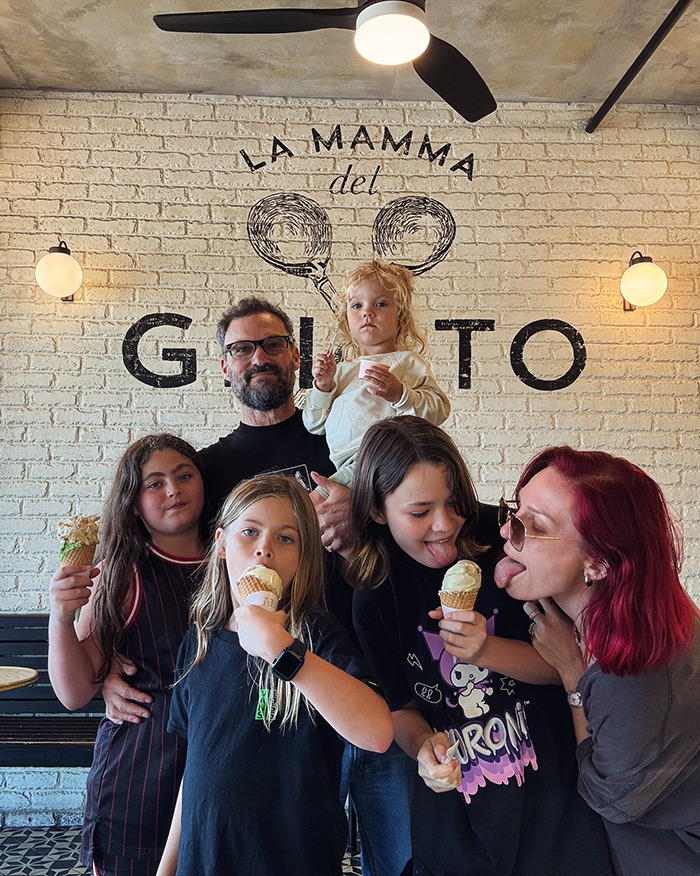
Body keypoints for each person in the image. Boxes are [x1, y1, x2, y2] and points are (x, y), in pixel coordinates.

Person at [105, 296, 414, 876]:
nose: (258, 357)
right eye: (241, 348)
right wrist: (103, 664)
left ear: (295, 356)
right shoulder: (206, 471)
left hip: (369, 672)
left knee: (395, 858)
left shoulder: (351, 436)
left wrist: (368, 510)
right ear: (224, 366)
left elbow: (423, 517)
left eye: (272, 344)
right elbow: (148, 559)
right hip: (263, 704)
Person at [347, 416, 614, 876]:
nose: (444, 525)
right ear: (376, 510)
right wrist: (424, 749)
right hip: (457, 814)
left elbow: (570, 662)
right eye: (419, 512)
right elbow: (402, 707)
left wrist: (486, 651)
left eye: (454, 503)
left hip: (552, 795)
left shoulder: (504, 538)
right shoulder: (374, 593)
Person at [155, 474, 393, 876]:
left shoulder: (315, 636)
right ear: (221, 546)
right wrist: (167, 867)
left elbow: (377, 731)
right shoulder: (198, 643)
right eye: (249, 532)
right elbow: (197, 773)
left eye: (286, 539)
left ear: (302, 558)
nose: (264, 549)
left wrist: (282, 650)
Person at [495, 446, 700, 876]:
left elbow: (606, 796)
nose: (507, 534)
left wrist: (571, 672)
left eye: (534, 526)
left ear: (599, 562)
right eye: (514, 513)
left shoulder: (632, 672)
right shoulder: (639, 607)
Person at [48, 434, 207, 876]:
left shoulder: (236, 563)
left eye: (183, 475)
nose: (173, 489)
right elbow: (74, 693)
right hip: (142, 773)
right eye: (154, 483)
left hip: (220, 771)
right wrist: (61, 619)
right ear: (133, 502)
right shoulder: (121, 574)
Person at [303, 259, 450, 487]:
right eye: (357, 305)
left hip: (384, 459)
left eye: (381, 304)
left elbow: (439, 410)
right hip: (346, 465)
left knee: (315, 504)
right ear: (346, 320)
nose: (368, 312)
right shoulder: (341, 372)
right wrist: (323, 386)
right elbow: (313, 424)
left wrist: (400, 394)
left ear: (400, 317)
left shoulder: (407, 363)